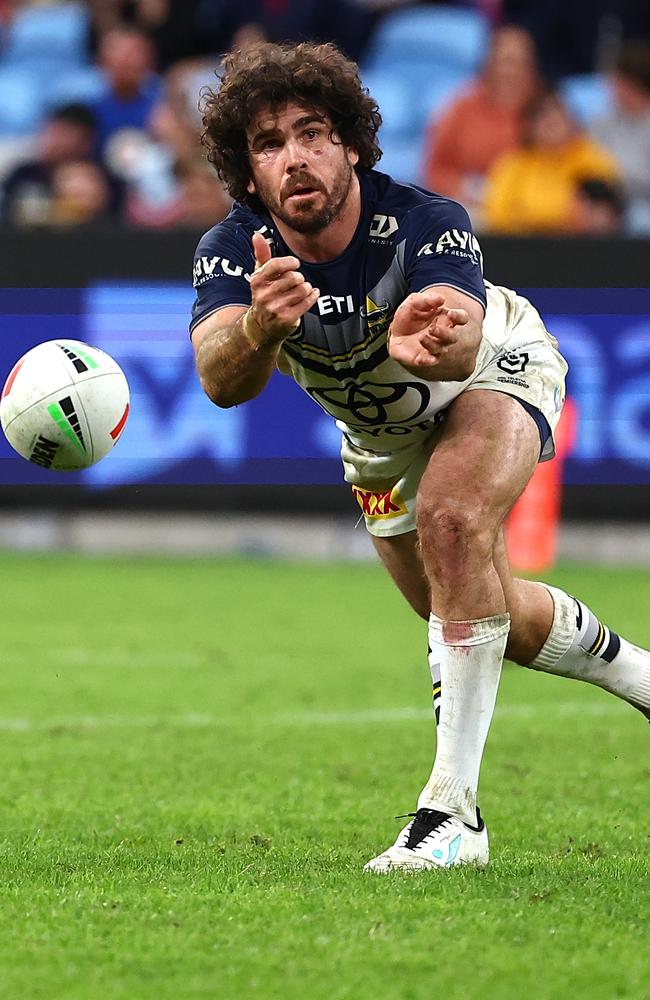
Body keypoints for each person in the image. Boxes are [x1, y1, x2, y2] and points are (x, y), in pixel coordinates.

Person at [190, 41, 650, 872]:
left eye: (314, 131)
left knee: (453, 516)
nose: (296, 156)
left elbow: (462, 322)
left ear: (354, 143)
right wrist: (260, 327)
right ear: (247, 171)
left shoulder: (425, 220)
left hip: (495, 368)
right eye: (268, 143)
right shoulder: (234, 251)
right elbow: (221, 379)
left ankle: (452, 817)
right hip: (378, 446)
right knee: (481, 615)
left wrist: (432, 337)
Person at [421, 24, 542, 225]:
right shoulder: (461, 107)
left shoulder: (547, 108)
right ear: (490, 63)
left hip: (534, 210)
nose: (512, 71)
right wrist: (466, 188)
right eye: (506, 61)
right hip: (474, 206)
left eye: (522, 63)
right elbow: (435, 168)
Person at [483, 90, 620, 234]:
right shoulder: (514, 164)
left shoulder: (594, 160)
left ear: (572, 122)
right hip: (523, 244)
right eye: (542, 119)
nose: (550, 124)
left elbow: (603, 215)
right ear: (529, 127)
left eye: (557, 118)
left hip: (578, 245)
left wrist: (533, 216)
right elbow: (496, 214)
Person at [590, 39, 650, 235]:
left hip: (642, 204)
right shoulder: (601, 123)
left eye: (616, 80)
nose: (610, 86)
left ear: (634, 83)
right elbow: (590, 166)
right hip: (606, 203)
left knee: (641, 218)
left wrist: (617, 176)